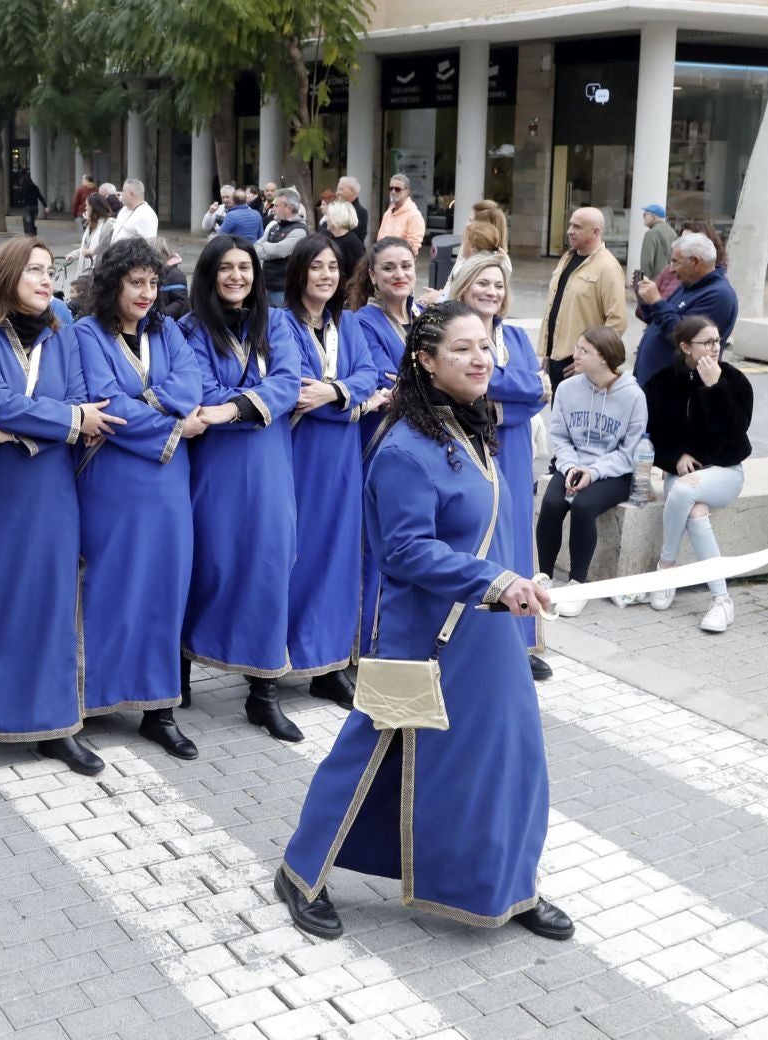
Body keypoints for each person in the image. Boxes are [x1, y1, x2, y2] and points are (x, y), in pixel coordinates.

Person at [276, 303, 565, 944]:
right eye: (461, 349)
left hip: (487, 630)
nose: (480, 358)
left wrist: (522, 582)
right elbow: (405, 551)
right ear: (427, 363)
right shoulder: (403, 448)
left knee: (506, 759)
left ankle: (510, 887)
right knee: (367, 754)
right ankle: (300, 873)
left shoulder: (474, 428)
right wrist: (496, 582)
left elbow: (492, 533)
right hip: (424, 639)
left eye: (484, 346)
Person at [0, 239, 120, 774]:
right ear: (5, 275)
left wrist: (36, 422)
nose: (46, 280)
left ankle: (56, 725)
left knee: (52, 604)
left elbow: (76, 402)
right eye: (34, 270)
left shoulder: (62, 333)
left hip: (51, 489)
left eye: (51, 271)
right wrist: (67, 422)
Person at [72, 239, 205, 761]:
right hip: (112, 482)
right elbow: (105, 402)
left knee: (163, 588)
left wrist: (145, 404)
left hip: (169, 483)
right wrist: (170, 419)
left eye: (153, 283)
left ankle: (159, 709)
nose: (147, 293)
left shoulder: (167, 329)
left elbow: (190, 383)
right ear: (113, 284)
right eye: (136, 283)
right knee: (107, 585)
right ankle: (87, 699)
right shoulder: (87, 334)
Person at [179, 235, 306, 741]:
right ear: (209, 274)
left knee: (270, 567)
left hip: (270, 464)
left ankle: (263, 693)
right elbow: (198, 392)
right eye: (226, 268)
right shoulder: (189, 330)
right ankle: (178, 674)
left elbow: (288, 382)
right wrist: (247, 403)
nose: (237, 276)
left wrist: (233, 409)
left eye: (245, 267)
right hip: (215, 468)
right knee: (206, 566)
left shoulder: (276, 323)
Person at [281, 236, 390, 708]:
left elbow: (367, 375)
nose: (325, 275)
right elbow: (293, 390)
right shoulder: (280, 323)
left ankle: (328, 664)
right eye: (316, 267)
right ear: (299, 272)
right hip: (300, 456)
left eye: (332, 267)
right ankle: (278, 661)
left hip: (344, 457)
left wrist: (335, 394)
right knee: (297, 556)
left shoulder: (346, 324)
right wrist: (350, 400)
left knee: (337, 557)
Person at [448, 252, 553, 679]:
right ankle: (477, 640)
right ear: (465, 286)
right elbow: (473, 384)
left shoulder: (516, 337)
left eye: (498, 285)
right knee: (481, 540)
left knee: (516, 541)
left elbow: (538, 392)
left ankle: (519, 642)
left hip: (513, 447)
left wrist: (497, 401)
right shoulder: (452, 331)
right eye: (482, 284)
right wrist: (515, 386)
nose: (491, 292)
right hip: (473, 447)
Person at [638, 315, 755, 632]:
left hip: (726, 472)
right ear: (685, 346)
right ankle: (722, 600)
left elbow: (736, 434)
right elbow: (649, 435)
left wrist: (715, 387)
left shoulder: (735, 380)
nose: (715, 348)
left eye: (718, 341)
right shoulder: (661, 383)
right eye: (707, 342)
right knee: (695, 511)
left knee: (684, 492)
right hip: (683, 473)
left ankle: (666, 568)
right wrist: (673, 458)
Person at [537, 326, 646, 618]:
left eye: (584, 350)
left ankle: (577, 585)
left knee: (584, 506)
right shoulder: (568, 388)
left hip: (615, 472)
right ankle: (543, 578)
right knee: (552, 503)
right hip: (573, 463)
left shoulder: (633, 396)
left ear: (604, 357)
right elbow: (559, 436)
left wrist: (593, 472)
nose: (575, 354)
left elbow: (629, 452)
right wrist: (572, 466)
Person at [350, 237, 421, 469]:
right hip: (385, 438)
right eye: (388, 268)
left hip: (429, 437)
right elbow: (387, 385)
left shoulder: (427, 316)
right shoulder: (362, 322)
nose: (399, 274)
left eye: (406, 266)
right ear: (373, 276)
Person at [633, 230, 737, 385]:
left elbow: (684, 337)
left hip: (676, 387)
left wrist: (657, 301)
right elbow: (657, 322)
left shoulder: (719, 296)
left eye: (676, 262)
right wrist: (645, 300)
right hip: (653, 381)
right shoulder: (689, 284)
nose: (671, 269)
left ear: (695, 261)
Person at [539, 207, 628, 389]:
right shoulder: (568, 258)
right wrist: (546, 352)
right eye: (570, 224)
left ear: (595, 231)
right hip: (557, 358)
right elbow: (555, 307)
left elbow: (617, 321)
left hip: (580, 364)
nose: (569, 231)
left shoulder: (608, 267)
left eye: (577, 227)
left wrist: (592, 359)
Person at [255, 188, 309, 308]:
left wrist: (265, 245)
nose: (273, 209)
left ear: (288, 208)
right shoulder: (275, 226)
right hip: (267, 285)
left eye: (277, 205)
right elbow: (256, 247)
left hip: (283, 289)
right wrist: (269, 249)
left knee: (283, 322)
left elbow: (279, 251)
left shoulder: (299, 230)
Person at [374, 173, 425, 249]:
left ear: (407, 192)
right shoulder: (388, 213)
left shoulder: (414, 215)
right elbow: (380, 239)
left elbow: (413, 246)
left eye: (397, 189)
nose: (393, 192)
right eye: (391, 188)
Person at [323, 199, 365, 287]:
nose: (326, 219)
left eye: (328, 215)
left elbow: (359, 273)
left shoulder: (352, 243)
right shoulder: (330, 238)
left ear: (336, 217)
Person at [75, 192, 116, 278]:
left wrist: (94, 252)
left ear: (93, 207)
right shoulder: (92, 224)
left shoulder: (109, 223)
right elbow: (87, 247)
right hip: (87, 269)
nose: (85, 207)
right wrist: (74, 254)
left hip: (99, 271)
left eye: (87, 205)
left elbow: (106, 245)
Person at [639, 203, 678, 281]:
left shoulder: (650, 234)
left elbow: (646, 262)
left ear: (654, 216)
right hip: (669, 280)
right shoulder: (672, 232)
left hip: (654, 281)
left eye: (645, 215)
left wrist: (643, 280)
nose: (643, 217)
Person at [113, 178, 158, 242]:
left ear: (131, 194)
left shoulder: (147, 215)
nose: (121, 193)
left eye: (123, 191)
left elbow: (149, 245)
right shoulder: (124, 209)